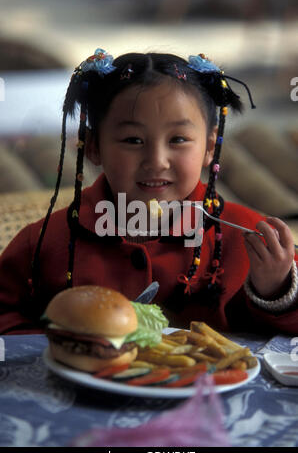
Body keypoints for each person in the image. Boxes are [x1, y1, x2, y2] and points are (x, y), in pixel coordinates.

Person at [0, 49, 297, 335]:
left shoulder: (249, 240)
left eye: (178, 139)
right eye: (133, 140)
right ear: (93, 146)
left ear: (209, 147)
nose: (156, 161)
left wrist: (274, 290)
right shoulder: (45, 242)